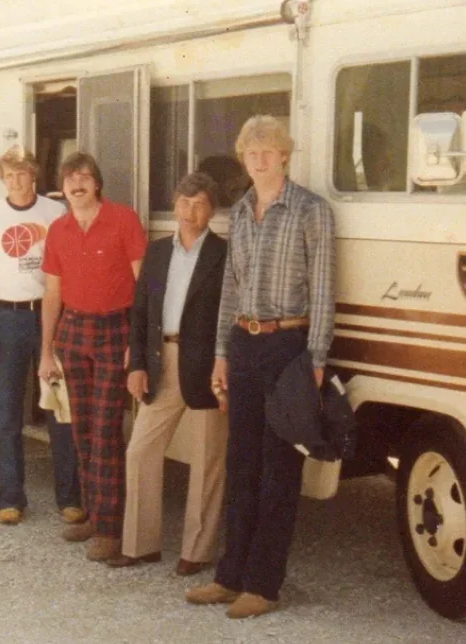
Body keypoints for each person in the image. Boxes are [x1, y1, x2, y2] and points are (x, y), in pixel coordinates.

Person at [185, 115, 336, 618]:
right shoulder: (241, 211)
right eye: (251, 152)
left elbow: (323, 289)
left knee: (278, 470)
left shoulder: (311, 210)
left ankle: (264, 585)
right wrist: (223, 354)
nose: (259, 159)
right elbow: (231, 286)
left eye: (268, 150)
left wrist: (315, 359)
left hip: (288, 347)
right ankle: (230, 576)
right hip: (244, 345)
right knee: (241, 464)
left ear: (284, 155)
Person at [107, 172, 228, 574]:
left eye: (200, 203)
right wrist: (137, 364)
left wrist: (224, 364)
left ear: (212, 209)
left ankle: (197, 551)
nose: (191, 211)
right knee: (140, 449)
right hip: (163, 361)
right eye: (184, 202)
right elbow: (140, 312)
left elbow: (229, 317)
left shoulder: (224, 255)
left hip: (210, 365)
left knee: (208, 460)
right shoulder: (157, 253)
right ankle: (140, 545)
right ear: (175, 205)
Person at [39, 152, 147, 561]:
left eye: (85, 177)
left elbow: (143, 288)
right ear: (62, 188)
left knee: (105, 431)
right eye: (70, 178)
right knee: (80, 428)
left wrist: (135, 347)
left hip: (114, 331)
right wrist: (46, 351)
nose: (77, 184)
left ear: (97, 184)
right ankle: (93, 513)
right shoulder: (59, 229)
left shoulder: (123, 219)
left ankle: (111, 530)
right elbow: (52, 294)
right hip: (73, 331)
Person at [0, 145, 82, 526]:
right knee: (8, 412)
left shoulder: (56, 212)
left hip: (52, 316)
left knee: (59, 408)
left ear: (33, 174)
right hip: (8, 319)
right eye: (9, 175)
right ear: (2, 178)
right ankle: (12, 497)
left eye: (22, 173)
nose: (16, 181)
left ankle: (68, 497)